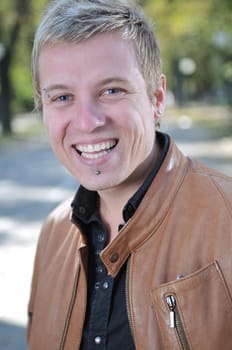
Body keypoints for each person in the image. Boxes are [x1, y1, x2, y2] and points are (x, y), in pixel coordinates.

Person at [27, 0, 232, 349]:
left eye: (111, 91)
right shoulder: (52, 234)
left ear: (157, 97)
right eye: (62, 97)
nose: (87, 122)